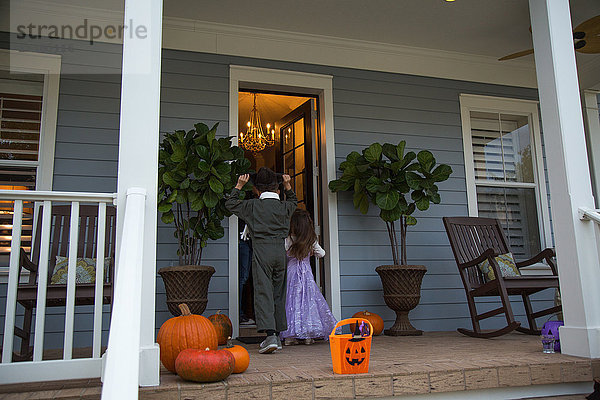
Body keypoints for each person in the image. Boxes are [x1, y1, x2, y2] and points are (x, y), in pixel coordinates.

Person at [225, 167, 297, 354]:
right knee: (278, 292)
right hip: (280, 252)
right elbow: (293, 201)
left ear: (257, 189)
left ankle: (270, 336)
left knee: (263, 291)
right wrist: (288, 186)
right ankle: (278, 335)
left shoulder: (252, 205)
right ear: (276, 188)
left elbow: (230, 204)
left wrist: (239, 185)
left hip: (262, 250)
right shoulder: (284, 206)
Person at [280, 209, 337, 345]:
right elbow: (322, 254)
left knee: (291, 301)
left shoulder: (288, 239)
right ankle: (307, 335)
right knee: (307, 301)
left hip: (291, 272)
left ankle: (290, 336)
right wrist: (311, 252)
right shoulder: (311, 240)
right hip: (306, 272)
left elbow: (282, 252)